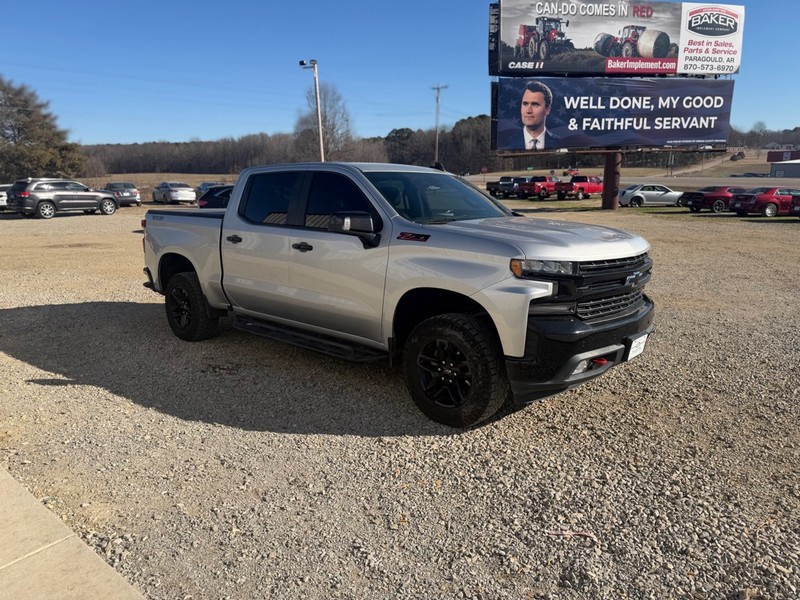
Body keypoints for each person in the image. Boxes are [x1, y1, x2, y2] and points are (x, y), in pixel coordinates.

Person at [497, 80, 558, 150]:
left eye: (535, 104)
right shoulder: (507, 143)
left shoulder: (559, 142)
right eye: (525, 104)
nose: (528, 111)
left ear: (547, 109)